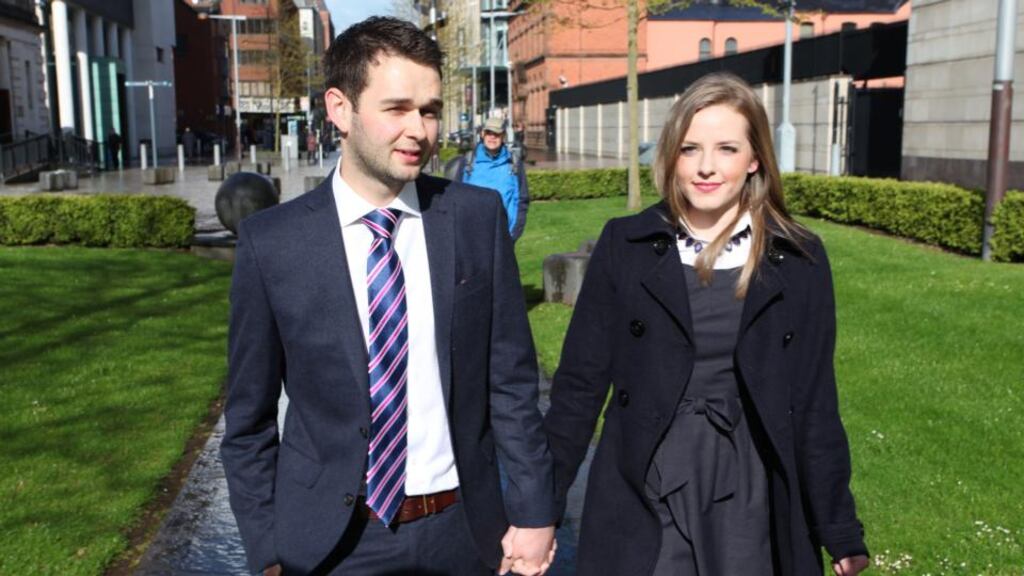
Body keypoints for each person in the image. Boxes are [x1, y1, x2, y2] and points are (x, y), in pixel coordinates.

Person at [221, 16, 557, 576]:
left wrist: (534, 510)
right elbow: (249, 422)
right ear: (339, 109)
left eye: (428, 110)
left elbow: (512, 384)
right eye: (397, 109)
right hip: (333, 545)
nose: (419, 130)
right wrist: (269, 553)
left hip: (463, 533)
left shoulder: (474, 220)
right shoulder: (272, 244)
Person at [543, 73, 870, 576]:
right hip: (644, 481)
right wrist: (540, 508)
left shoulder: (798, 257)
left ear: (755, 158)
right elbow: (579, 386)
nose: (707, 167)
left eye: (726, 148)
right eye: (690, 148)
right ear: (671, 154)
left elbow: (813, 401)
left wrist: (839, 527)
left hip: (749, 487)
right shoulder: (625, 245)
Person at [444, 117, 529, 242]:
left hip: (504, 236)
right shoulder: (468, 161)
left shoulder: (514, 163)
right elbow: (456, 198)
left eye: (497, 134)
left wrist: (514, 234)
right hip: (471, 235)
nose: (492, 137)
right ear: (482, 134)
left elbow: (522, 200)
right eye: (489, 133)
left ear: (503, 136)